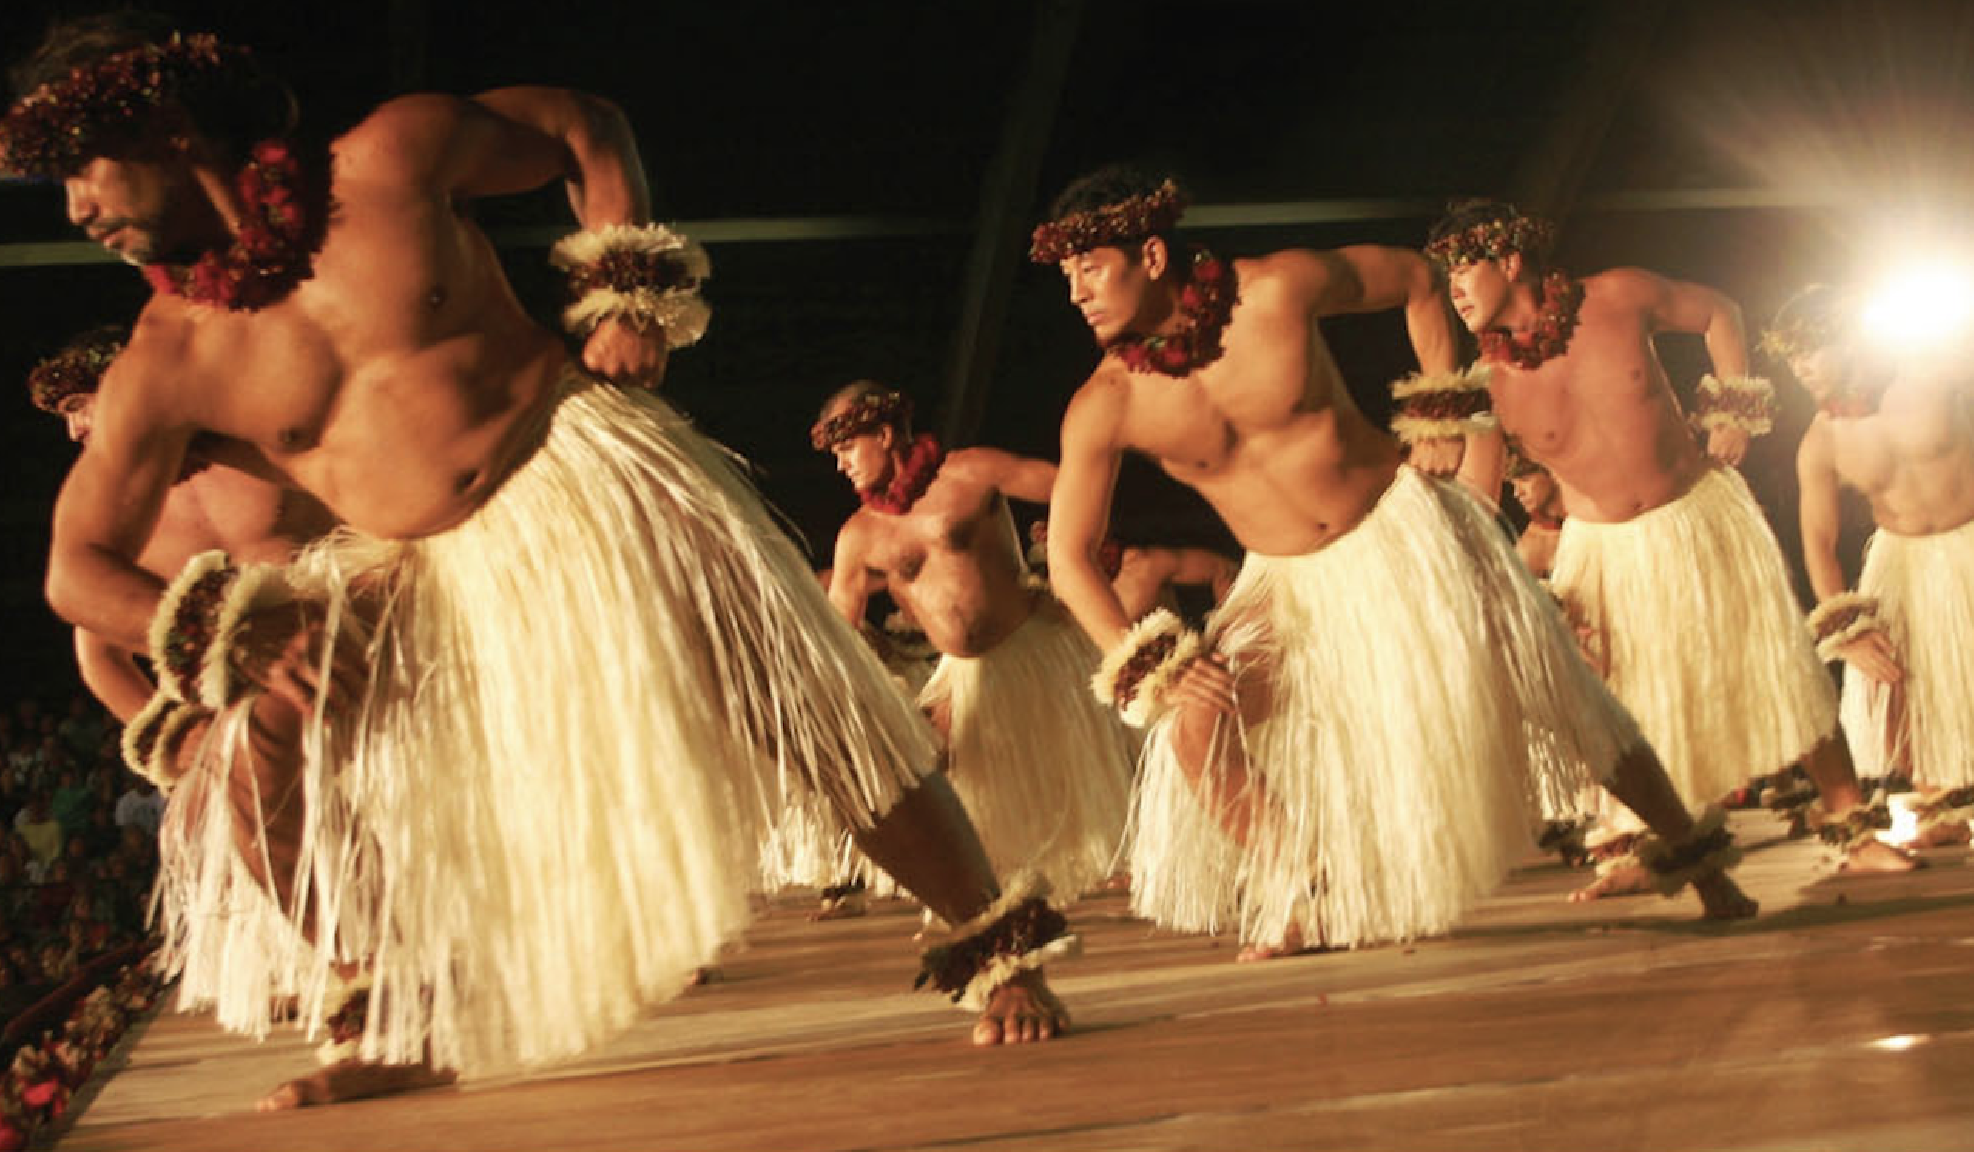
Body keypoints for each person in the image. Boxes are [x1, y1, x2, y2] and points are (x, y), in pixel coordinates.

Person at [5, 15, 1066, 1108]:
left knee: (794, 698)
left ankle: (996, 947)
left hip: (573, 464)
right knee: (250, 766)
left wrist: (628, 290)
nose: (77, 209)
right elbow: (76, 570)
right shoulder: (164, 360)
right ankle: (394, 1008)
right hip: (415, 564)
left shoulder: (385, 161)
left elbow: (580, 127)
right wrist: (240, 621)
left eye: (83, 170)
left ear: (165, 127)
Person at [1037, 165, 1755, 961]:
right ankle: (1302, 886)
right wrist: (1151, 663)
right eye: (1068, 276)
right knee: (1197, 726)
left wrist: (1442, 406)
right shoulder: (1105, 402)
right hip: (1285, 581)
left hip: (1399, 529)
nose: (1077, 294)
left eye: (1092, 269)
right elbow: (1069, 557)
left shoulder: (1277, 290)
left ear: (1153, 256)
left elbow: (1418, 279)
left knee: (1556, 690)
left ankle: (1696, 856)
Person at [1427, 199, 1913, 888]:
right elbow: (1479, 500)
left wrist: (1735, 403)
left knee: (1774, 661)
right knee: (1619, 695)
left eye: (1464, 269)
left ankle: (1849, 824)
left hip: (1695, 510)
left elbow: (1720, 312)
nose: (1454, 289)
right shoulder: (1490, 387)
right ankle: (1647, 846)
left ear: (1511, 262)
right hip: (1601, 551)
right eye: (1444, 276)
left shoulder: (1618, 296)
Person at [816, 381, 1135, 900]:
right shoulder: (859, 535)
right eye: (835, 455)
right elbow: (838, 632)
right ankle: (970, 895)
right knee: (931, 767)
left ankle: (1102, 859)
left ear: (884, 432)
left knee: (1076, 784)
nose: (841, 465)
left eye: (848, 449)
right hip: (962, 672)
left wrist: (1075, 545)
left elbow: (1074, 483)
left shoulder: (970, 472)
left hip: (1036, 646)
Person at [26, 325, 340, 731]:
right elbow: (99, 652)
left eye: (78, 405)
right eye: (66, 417)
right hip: (238, 726)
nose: (74, 430)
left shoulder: (256, 434)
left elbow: (368, 502)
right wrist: (176, 743)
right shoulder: (111, 510)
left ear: (125, 387)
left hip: (348, 669)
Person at [1776, 283, 1974, 845]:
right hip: (1901, 561)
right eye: (1790, 357)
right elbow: (1817, 538)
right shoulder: (1820, 441)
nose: (1799, 367)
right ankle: (1943, 806)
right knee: (1907, 682)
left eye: (1808, 350)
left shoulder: (1938, 377)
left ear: (1849, 342)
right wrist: (1846, 627)